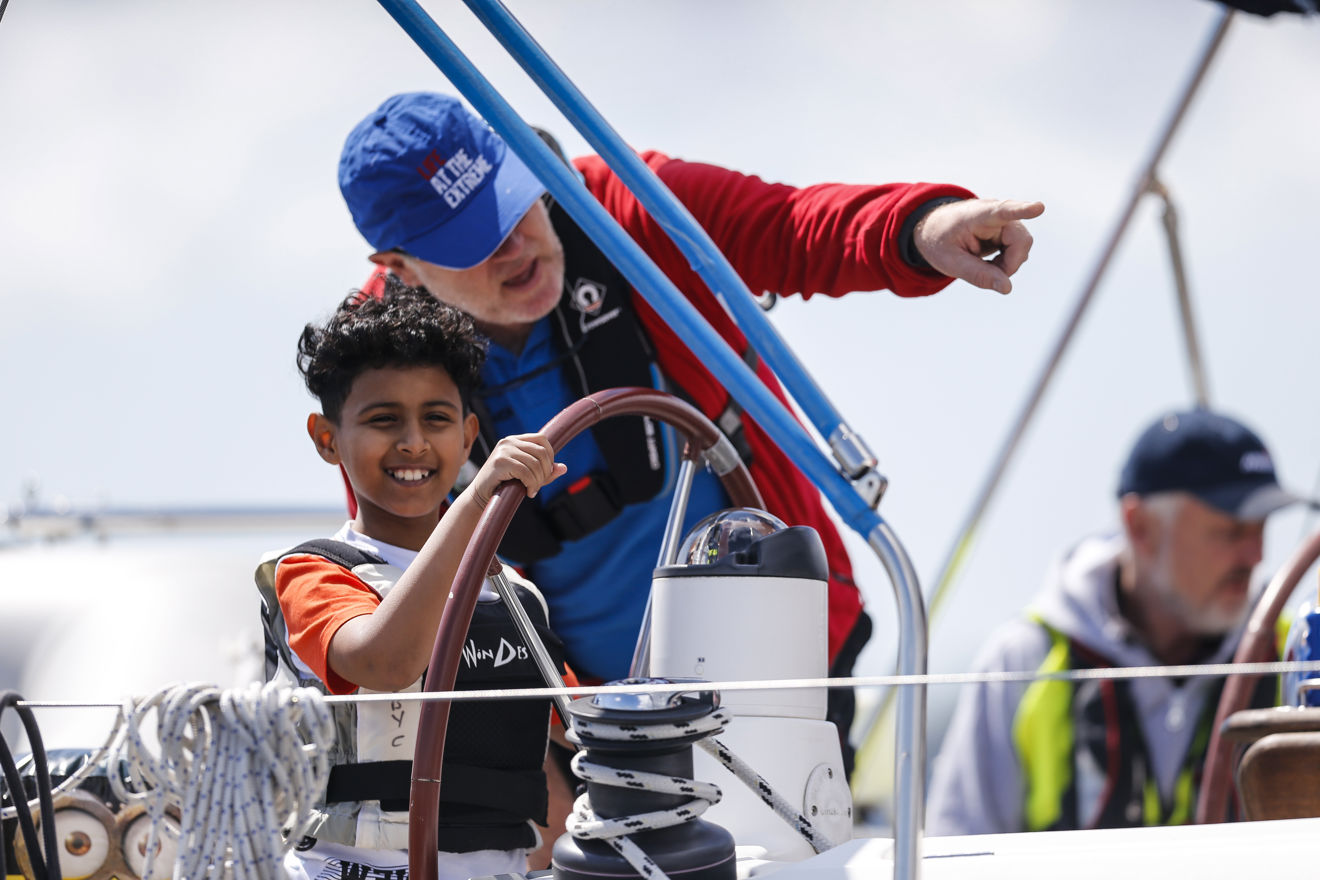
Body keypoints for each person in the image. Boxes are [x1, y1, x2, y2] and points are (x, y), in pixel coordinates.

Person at [337, 91, 1046, 771]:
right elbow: (395, 569)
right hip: (577, 725)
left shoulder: (622, 207)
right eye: (472, 240)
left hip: (784, 665)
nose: (515, 246)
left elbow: (790, 225)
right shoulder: (374, 366)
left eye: (512, 203)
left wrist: (921, 228)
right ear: (400, 268)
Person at [255, 280, 568, 880]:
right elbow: (384, 663)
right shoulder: (312, 572)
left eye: (436, 419)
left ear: (468, 436)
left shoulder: (515, 595)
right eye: (384, 419)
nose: (414, 442)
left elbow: (578, 728)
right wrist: (476, 501)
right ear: (327, 439)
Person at [927, 408, 1304, 836]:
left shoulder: (1295, 656)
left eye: (1261, 528)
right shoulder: (1023, 659)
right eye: (1232, 530)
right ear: (1140, 526)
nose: (1256, 555)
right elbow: (956, 847)